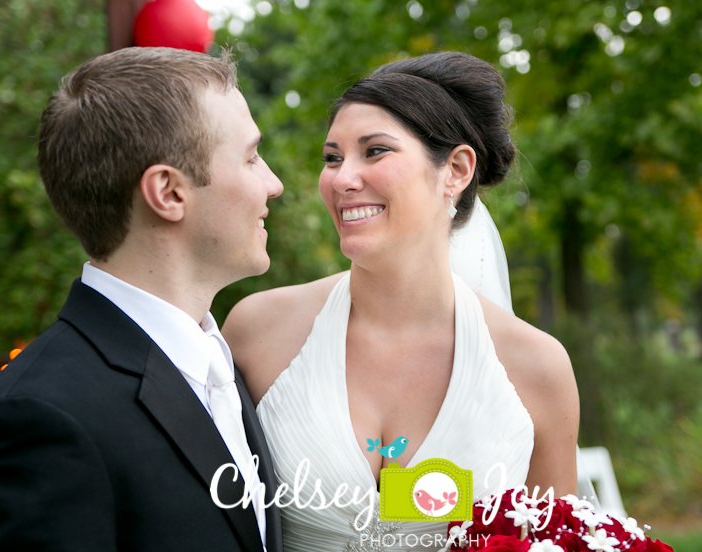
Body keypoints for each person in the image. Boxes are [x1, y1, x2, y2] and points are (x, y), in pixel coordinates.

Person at [222, 52, 579, 552]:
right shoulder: (258, 332)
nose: (342, 178)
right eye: (332, 157)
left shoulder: (536, 368)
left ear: (455, 170)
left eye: (375, 152)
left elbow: (555, 541)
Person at [0, 47, 284, 552]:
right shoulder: (38, 424)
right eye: (251, 157)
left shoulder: (223, 364)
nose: (273, 184)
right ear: (168, 192)